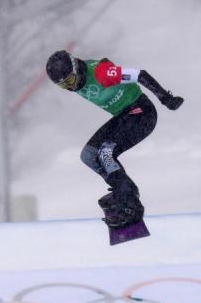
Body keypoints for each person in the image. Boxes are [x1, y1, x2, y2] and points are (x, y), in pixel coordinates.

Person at [45, 50, 184, 229]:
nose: (71, 87)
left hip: (142, 112)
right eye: (64, 86)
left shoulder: (101, 73)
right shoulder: (77, 79)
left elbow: (139, 75)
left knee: (105, 152)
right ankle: (125, 191)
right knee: (89, 156)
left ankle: (130, 203)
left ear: (76, 67)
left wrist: (166, 98)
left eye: (70, 81)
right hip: (124, 115)